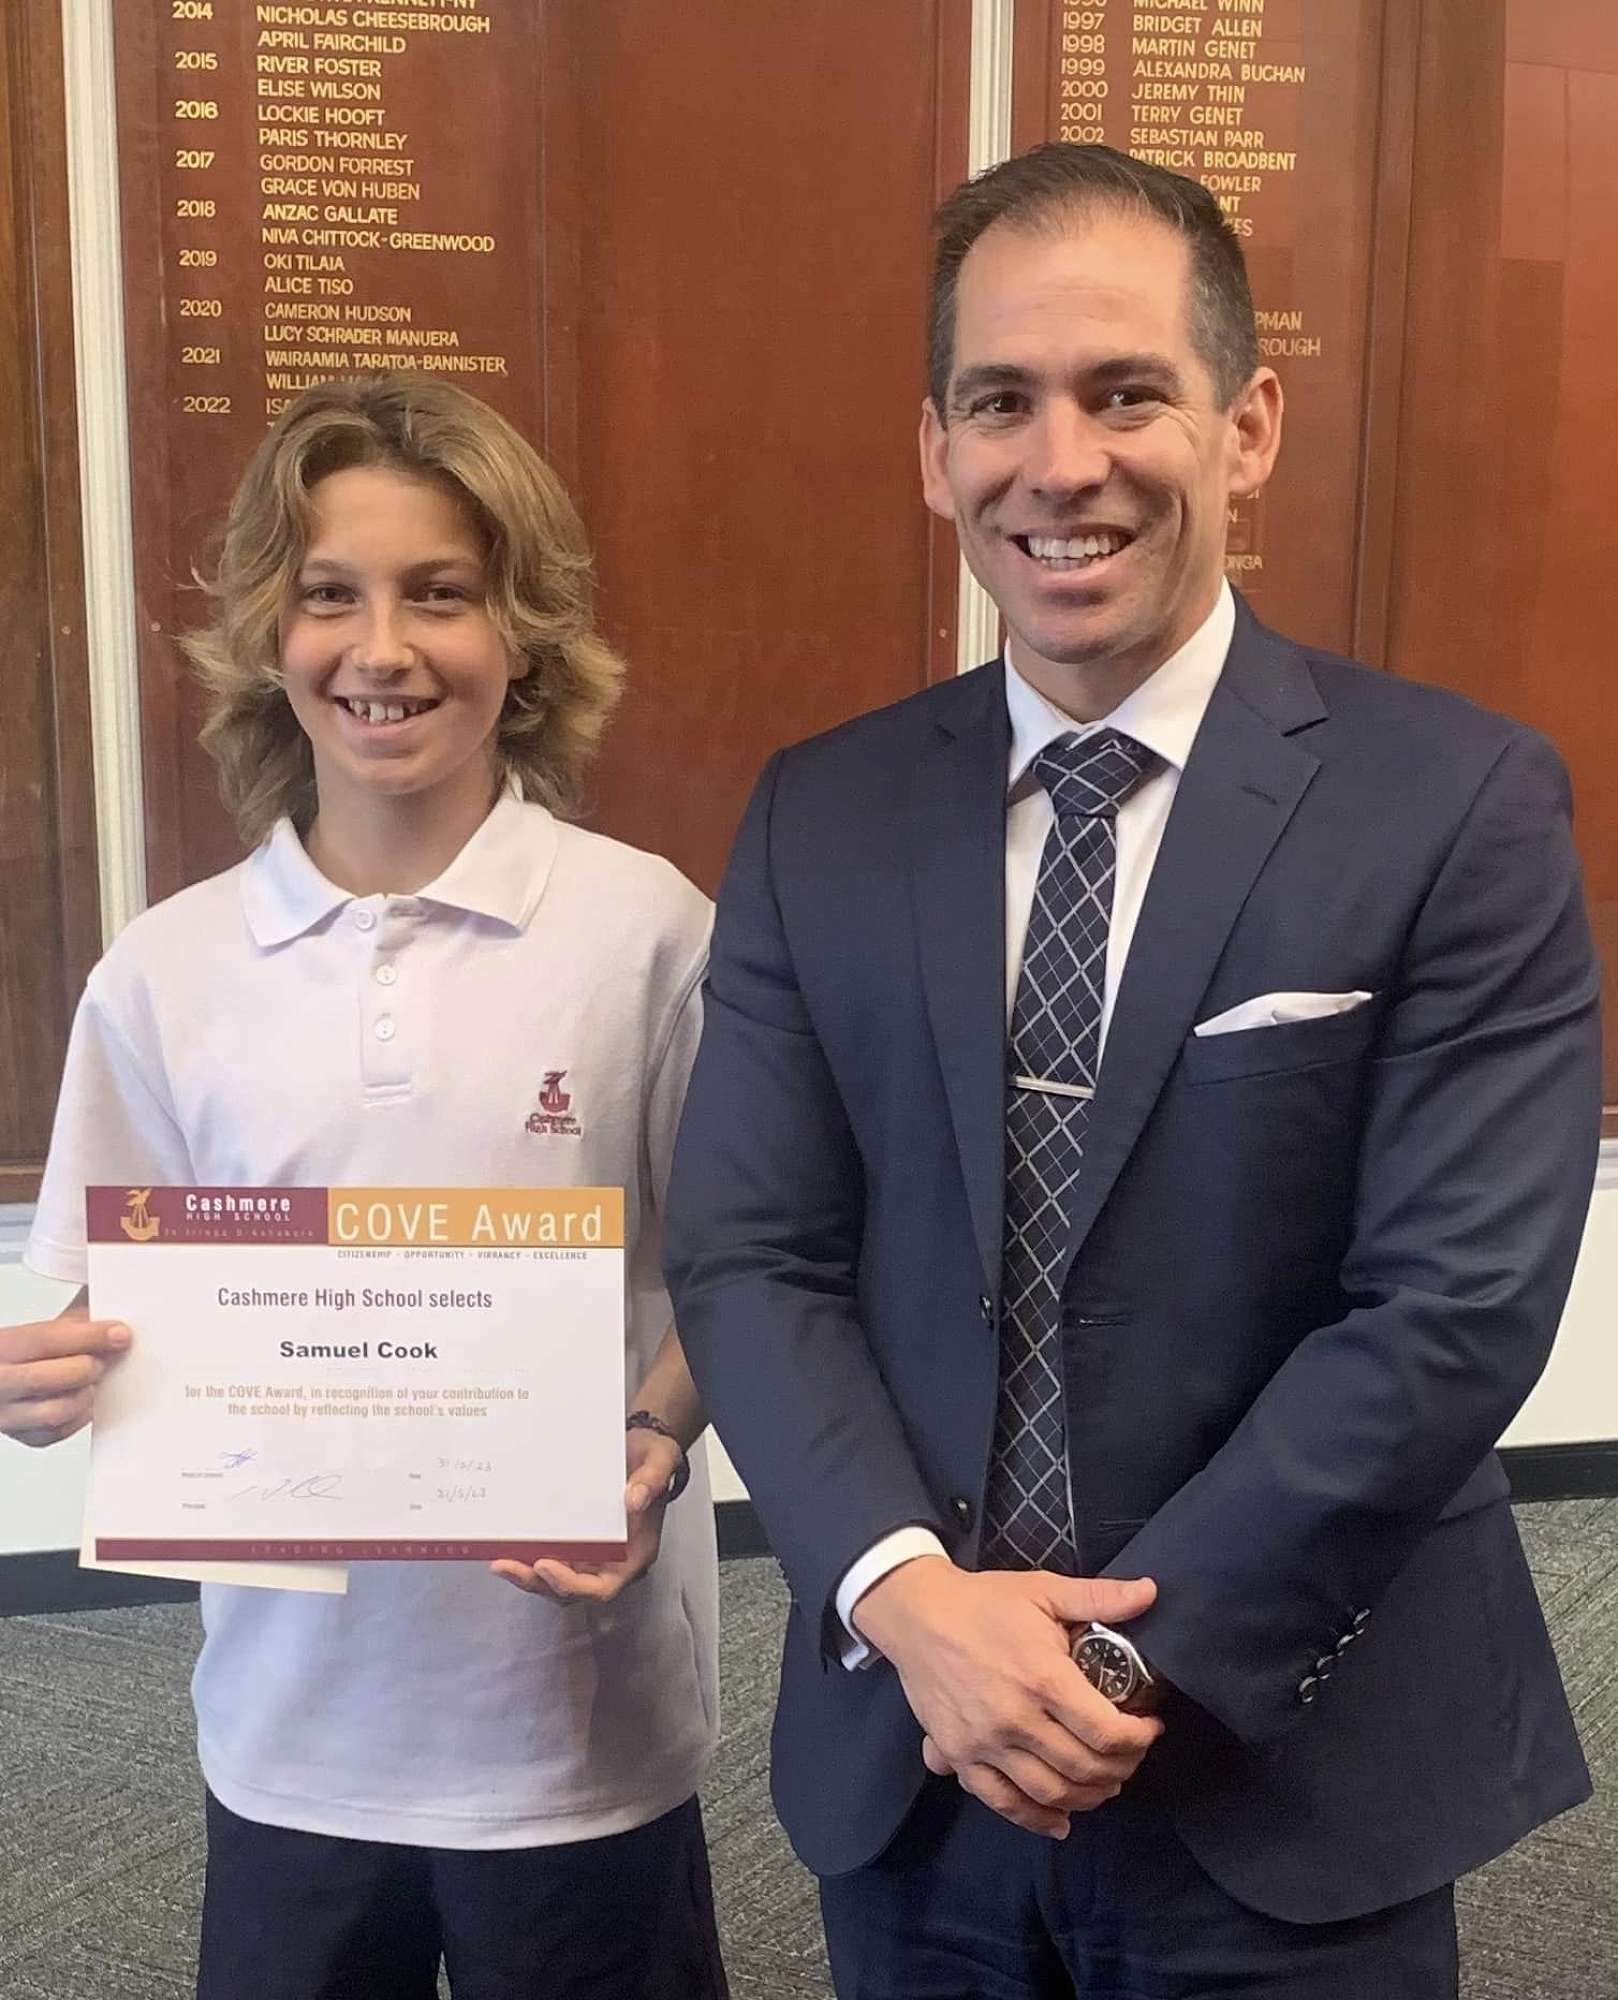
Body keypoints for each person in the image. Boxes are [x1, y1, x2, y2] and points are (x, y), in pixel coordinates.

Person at [664, 143, 1599, 1997]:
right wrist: (907, 1601)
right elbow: (753, 1252)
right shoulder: (819, 814)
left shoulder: (1453, 803)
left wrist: (1101, 1663)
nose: (1059, 463)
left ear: (1246, 429)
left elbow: (1454, 1306)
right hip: (917, 1747)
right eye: (999, 401)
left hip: (1290, 1752)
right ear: (934, 449)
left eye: (1123, 394)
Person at [0, 372, 728, 2000]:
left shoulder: (648, 935)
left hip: (577, 1726)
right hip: (291, 1733)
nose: (380, 649)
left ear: (522, 634)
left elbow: (742, 1274)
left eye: (439, 594)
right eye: (330, 594)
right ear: (271, 632)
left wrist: (653, 1435)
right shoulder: (166, 972)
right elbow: (122, 1303)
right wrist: (43, 1384)